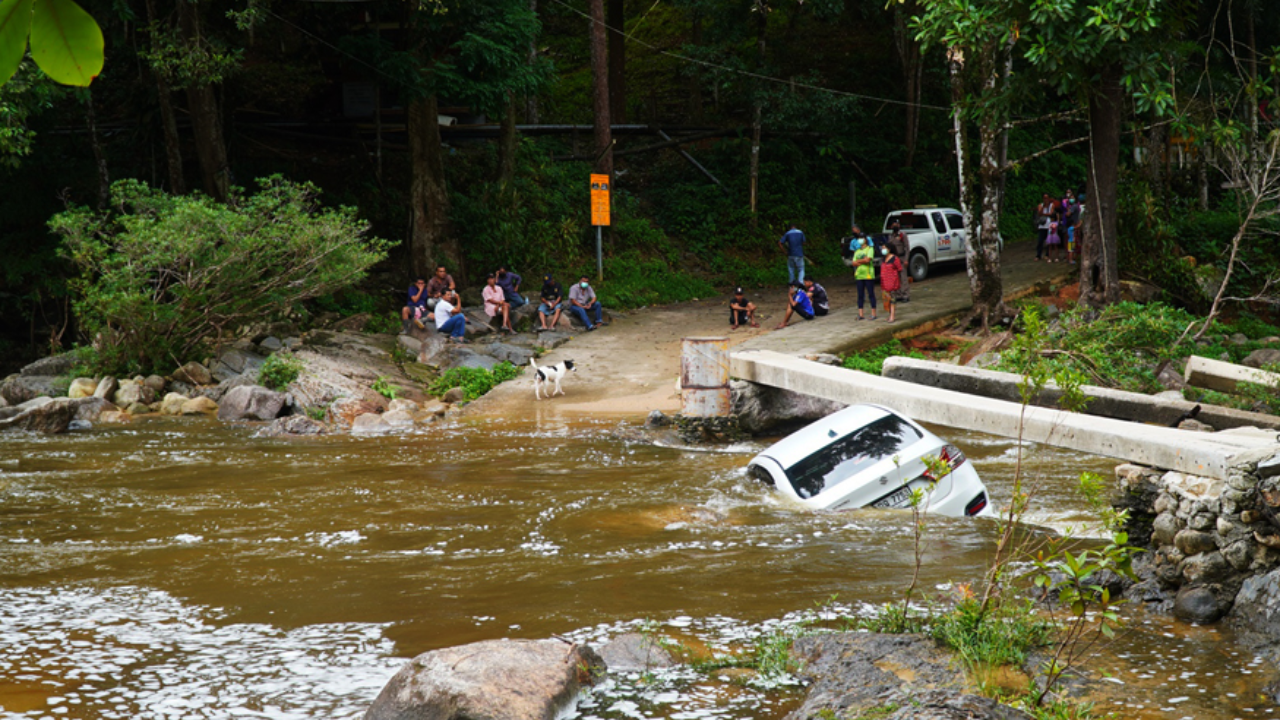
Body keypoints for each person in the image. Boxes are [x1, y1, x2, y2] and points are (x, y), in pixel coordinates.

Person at [851, 235, 877, 320]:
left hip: (868, 274)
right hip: (859, 275)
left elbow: (868, 260)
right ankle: (861, 314)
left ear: (866, 240)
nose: (860, 240)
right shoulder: (857, 251)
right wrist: (862, 261)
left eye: (862, 238)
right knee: (860, 295)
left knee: (871, 294)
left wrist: (858, 261)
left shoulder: (870, 249)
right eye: (859, 238)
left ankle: (873, 313)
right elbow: (854, 262)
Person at [887, 220, 910, 303]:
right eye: (894, 224)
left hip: (902, 257)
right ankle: (898, 295)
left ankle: (905, 295)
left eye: (897, 224)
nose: (895, 225)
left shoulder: (902, 235)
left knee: (903, 277)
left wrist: (906, 259)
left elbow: (907, 248)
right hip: (894, 258)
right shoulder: (891, 236)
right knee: (895, 278)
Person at [880, 245, 903, 323]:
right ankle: (890, 315)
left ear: (889, 249)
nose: (883, 250)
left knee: (892, 299)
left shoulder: (895, 258)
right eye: (882, 248)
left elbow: (899, 269)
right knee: (887, 300)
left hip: (892, 283)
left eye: (884, 248)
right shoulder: (883, 259)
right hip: (884, 283)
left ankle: (892, 316)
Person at [1034, 194, 1056, 261]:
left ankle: (1047, 254)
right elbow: (1039, 213)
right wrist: (1043, 207)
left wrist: (1044, 214)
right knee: (1040, 241)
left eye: (1047, 198)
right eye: (1044, 198)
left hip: (1049, 225)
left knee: (1048, 241)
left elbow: (1051, 213)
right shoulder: (1041, 205)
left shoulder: (1051, 205)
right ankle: (1038, 255)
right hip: (1042, 225)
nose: (1045, 199)